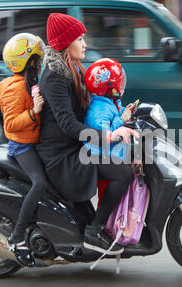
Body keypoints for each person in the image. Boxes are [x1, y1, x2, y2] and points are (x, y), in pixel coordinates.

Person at [37, 13, 139, 255]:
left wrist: (121, 116)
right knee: (122, 173)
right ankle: (94, 232)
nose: (85, 44)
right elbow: (68, 125)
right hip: (61, 154)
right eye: (80, 39)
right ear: (65, 43)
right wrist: (108, 136)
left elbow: (97, 102)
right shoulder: (55, 77)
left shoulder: (74, 69)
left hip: (74, 145)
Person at [0, 33, 47, 267]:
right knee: (40, 183)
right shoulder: (15, 88)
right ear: (27, 63)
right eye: (37, 59)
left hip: (31, 142)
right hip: (21, 146)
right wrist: (33, 112)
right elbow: (10, 124)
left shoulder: (27, 83)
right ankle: (17, 237)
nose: (41, 62)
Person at [83, 58, 136, 208]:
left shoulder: (111, 102)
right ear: (109, 87)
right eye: (119, 82)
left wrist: (126, 113)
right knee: (108, 198)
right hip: (105, 158)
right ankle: (102, 225)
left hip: (116, 155)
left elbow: (115, 114)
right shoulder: (98, 110)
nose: (122, 85)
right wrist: (121, 119)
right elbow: (106, 137)